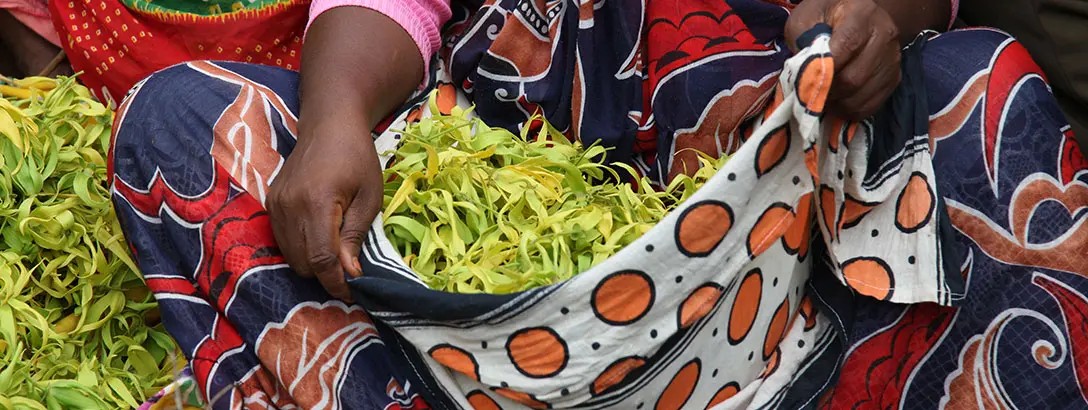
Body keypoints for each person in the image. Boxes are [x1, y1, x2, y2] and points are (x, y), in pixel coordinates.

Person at [107, 0, 1088, 408]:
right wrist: (333, 118)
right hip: (481, 300)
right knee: (181, 126)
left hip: (779, 254)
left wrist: (878, 15)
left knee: (980, 91)